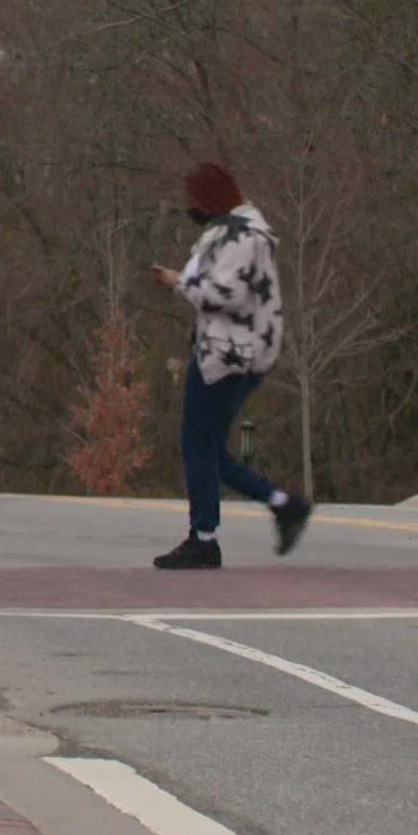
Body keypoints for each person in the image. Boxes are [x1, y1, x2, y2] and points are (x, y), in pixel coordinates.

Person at [148, 162, 312, 569]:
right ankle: (283, 504)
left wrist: (177, 283)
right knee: (206, 447)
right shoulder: (246, 233)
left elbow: (226, 294)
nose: (192, 208)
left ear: (211, 199)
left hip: (226, 353)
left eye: (195, 201)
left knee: (195, 442)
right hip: (248, 351)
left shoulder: (238, 237)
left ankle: (204, 539)